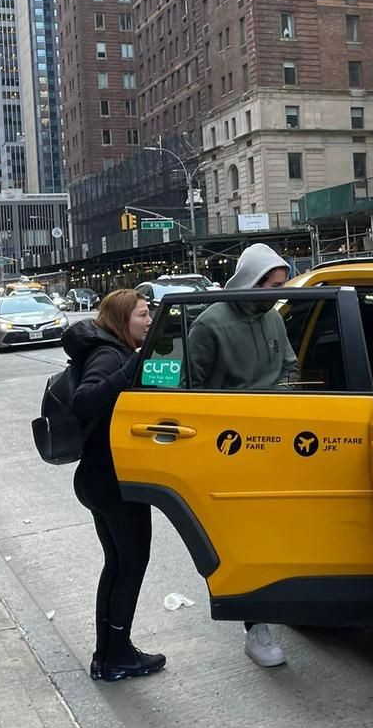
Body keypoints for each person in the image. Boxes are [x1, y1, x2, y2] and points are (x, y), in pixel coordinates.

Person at [187, 243, 297, 668]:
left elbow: (289, 363)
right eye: (272, 285)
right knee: (246, 538)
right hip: (233, 446)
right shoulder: (210, 324)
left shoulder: (273, 317)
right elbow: (194, 390)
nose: (277, 293)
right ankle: (256, 627)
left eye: (282, 286)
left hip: (280, 439)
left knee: (279, 530)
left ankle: (282, 604)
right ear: (252, 280)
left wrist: (284, 395)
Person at [63, 289, 166, 683]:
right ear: (124, 318)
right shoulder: (109, 355)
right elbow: (85, 401)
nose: (149, 319)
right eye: (143, 314)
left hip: (103, 477)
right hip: (113, 480)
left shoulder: (116, 351)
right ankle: (115, 654)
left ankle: (109, 653)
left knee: (119, 564)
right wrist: (131, 368)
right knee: (130, 564)